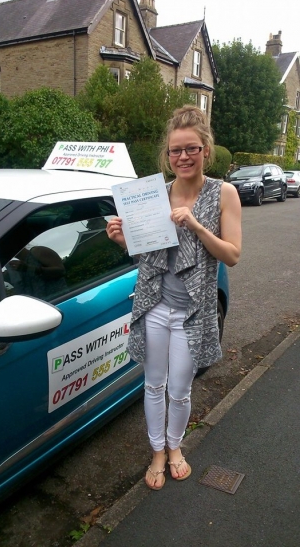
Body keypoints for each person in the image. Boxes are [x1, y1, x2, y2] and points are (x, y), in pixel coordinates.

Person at [106, 105, 242, 490]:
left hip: (192, 314)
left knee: (180, 389)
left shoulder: (223, 193)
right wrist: (123, 241)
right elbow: (148, 255)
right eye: (175, 150)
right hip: (155, 307)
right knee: (152, 385)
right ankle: (157, 452)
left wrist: (196, 224)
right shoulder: (153, 194)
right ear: (167, 156)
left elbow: (232, 254)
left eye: (191, 149)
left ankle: (176, 446)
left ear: (206, 150)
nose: (182, 156)